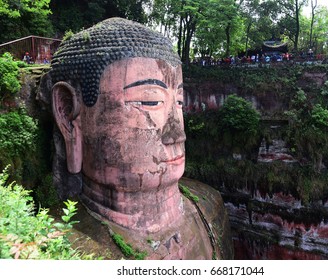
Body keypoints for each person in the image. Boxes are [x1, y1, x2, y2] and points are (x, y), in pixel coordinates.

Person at [43, 17, 232, 260]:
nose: (177, 133)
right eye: (150, 101)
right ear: (69, 116)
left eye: (179, 103)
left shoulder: (210, 206)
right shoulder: (58, 253)